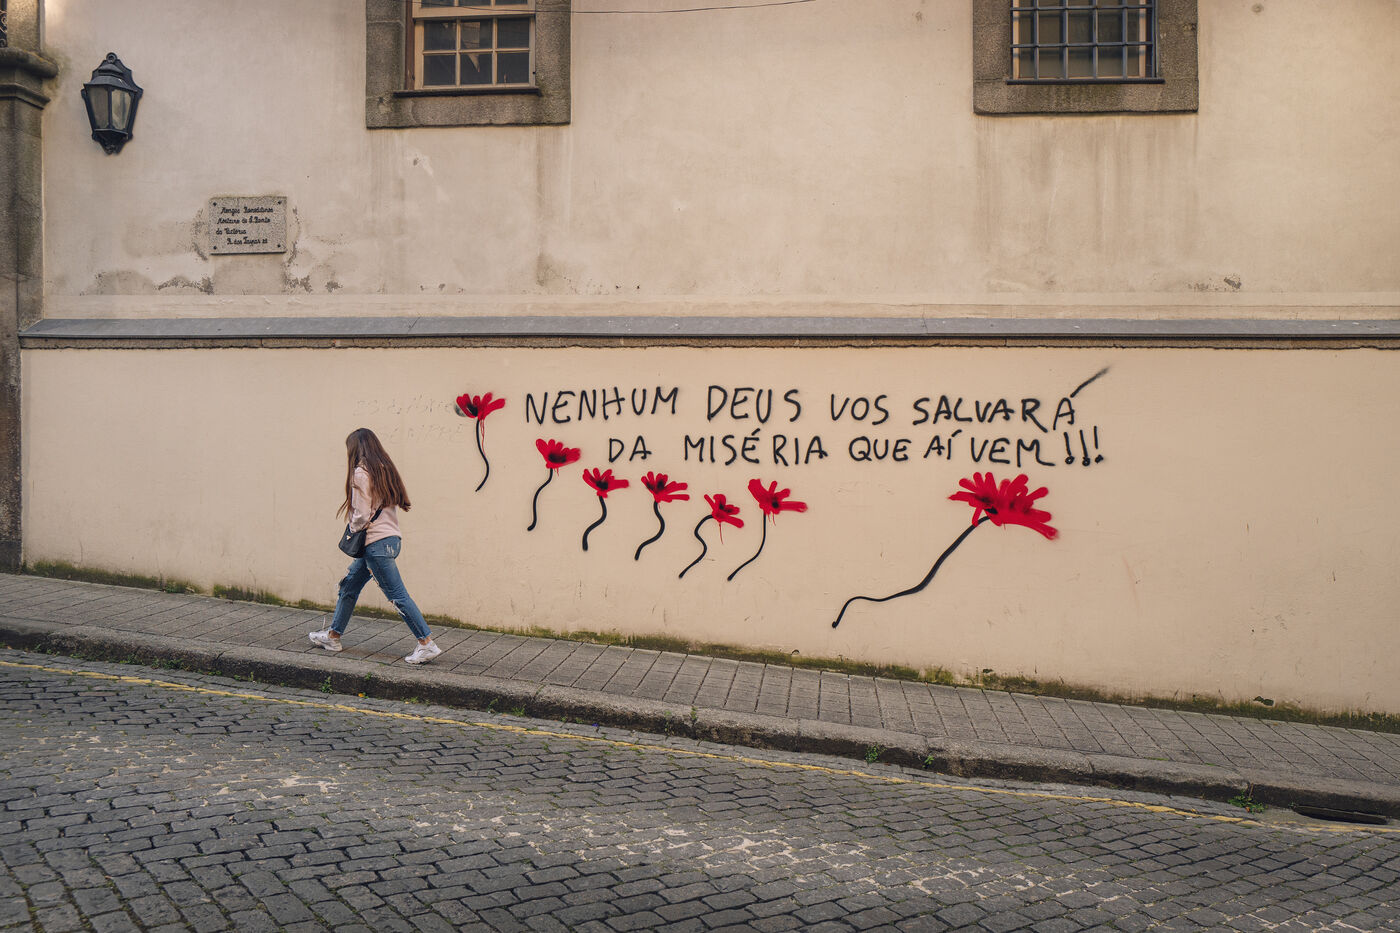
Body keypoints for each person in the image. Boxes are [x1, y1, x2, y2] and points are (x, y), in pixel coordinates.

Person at [310, 428, 442, 664]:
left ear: (355, 449)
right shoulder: (384, 468)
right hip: (390, 540)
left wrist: (352, 529)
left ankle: (426, 644)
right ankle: (333, 637)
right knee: (349, 585)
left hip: (375, 544)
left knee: (397, 596)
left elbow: (361, 515)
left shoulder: (361, 473)